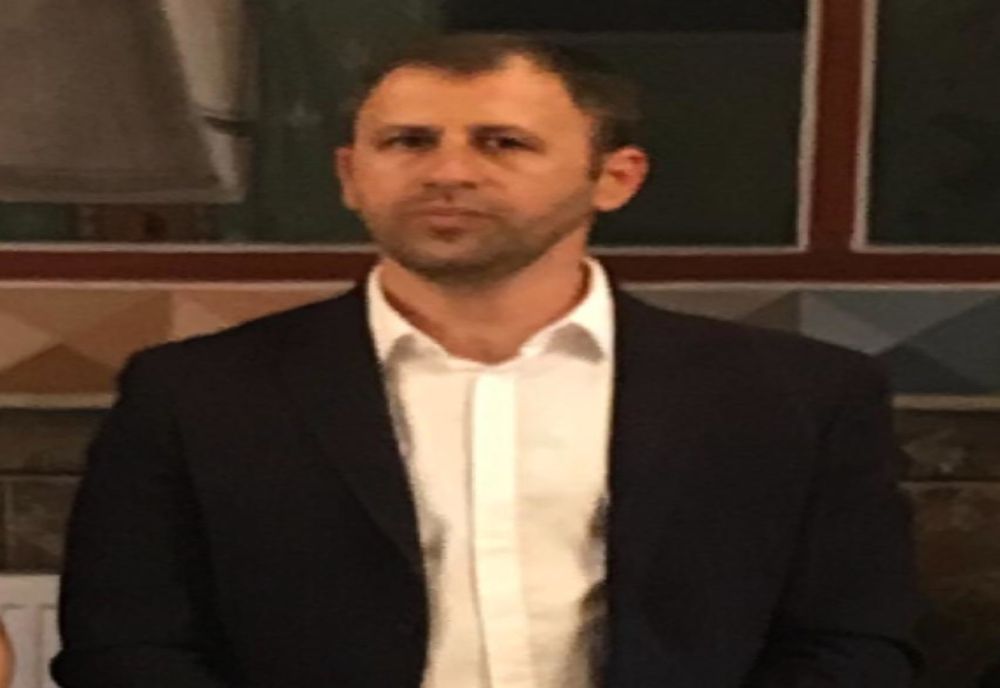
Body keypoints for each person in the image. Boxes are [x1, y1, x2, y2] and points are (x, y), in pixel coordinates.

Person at [52, 33, 920, 687]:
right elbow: (126, 649)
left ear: (614, 177)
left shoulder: (795, 396)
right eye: (408, 142)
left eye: (502, 142)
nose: (448, 172)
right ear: (350, 175)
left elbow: (852, 645)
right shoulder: (196, 393)